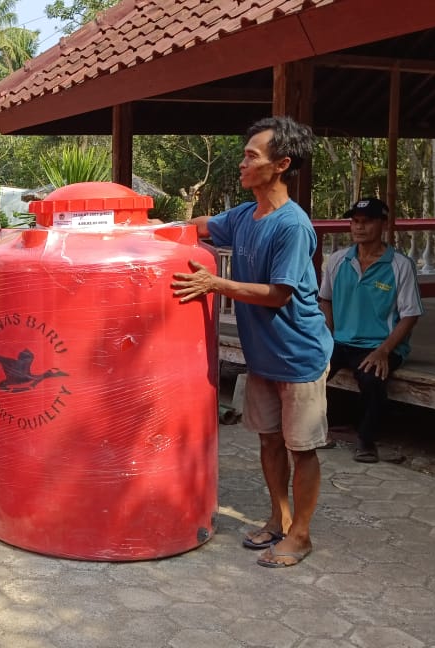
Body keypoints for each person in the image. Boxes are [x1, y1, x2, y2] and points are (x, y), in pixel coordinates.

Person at [171, 116, 332, 569]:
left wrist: (215, 283)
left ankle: (300, 535)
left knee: (301, 447)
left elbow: (278, 294)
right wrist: (151, 229)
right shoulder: (244, 216)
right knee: (268, 441)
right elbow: (202, 225)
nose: (242, 163)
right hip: (261, 356)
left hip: (298, 354)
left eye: (251, 157)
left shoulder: (291, 226)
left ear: (280, 165)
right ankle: (279, 518)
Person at [318, 197, 422, 463]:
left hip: (381, 344)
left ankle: (366, 440)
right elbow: (325, 299)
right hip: (341, 340)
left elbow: (410, 315)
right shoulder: (339, 260)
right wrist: (328, 335)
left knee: (372, 379)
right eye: (355, 222)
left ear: (383, 225)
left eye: (367, 222)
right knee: (310, 369)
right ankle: (310, 428)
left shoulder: (400, 265)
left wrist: (384, 351)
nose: (359, 227)